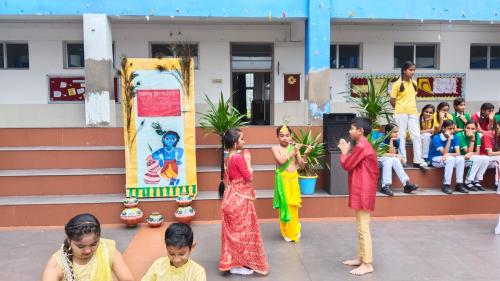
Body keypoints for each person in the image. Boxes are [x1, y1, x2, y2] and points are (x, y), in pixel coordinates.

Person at [218, 128, 269, 275]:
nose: (244, 141)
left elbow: (230, 179)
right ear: (234, 143)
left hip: (231, 196)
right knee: (244, 232)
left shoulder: (227, 156)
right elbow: (249, 177)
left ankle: (234, 263)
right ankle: (242, 264)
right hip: (240, 198)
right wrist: (248, 161)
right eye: (242, 139)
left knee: (235, 232)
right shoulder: (238, 158)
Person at [338, 117, 380, 276]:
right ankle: (361, 258)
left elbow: (347, 165)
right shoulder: (362, 146)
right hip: (362, 188)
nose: (349, 131)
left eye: (352, 128)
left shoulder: (362, 146)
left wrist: (343, 152)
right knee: (360, 226)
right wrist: (348, 152)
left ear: (360, 131)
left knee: (363, 227)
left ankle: (367, 263)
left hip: (364, 190)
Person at [41, 213, 134, 281]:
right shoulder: (58, 264)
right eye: (80, 246)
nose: (88, 250)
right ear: (69, 241)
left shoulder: (107, 249)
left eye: (94, 244)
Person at [271, 125, 311, 242]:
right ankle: (286, 230)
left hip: (293, 179)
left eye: (287, 136)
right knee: (285, 205)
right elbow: (281, 161)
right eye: (282, 136)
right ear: (277, 137)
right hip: (282, 180)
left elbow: (302, 165)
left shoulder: (294, 148)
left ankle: (294, 230)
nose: (285, 138)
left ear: (291, 136)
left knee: (293, 205)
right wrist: (292, 151)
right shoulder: (274, 148)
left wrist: (306, 153)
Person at [390, 61, 428, 169]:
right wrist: (399, 109)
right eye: (410, 70)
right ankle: (403, 160)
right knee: (401, 135)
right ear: (404, 70)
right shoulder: (397, 84)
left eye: (413, 70)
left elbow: (413, 98)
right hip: (400, 113)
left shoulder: (414, 83)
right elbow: (391, 100)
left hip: (413, 112)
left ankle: (418, 160)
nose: (412, 72)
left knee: (416, 135)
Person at [141, 223, 206, 281]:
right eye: (171, 254)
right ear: (166, 247)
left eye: (181, 254)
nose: (176, 260)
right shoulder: (158, 265)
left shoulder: (198, 272)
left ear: (192, 246)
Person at [377, 123, 418, 196]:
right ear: (387, 132)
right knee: (390, 159)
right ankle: (385, 186)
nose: (397, 134)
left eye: (397, 132)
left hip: (387, 158)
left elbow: (391, 152)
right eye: (394, 132)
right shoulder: (380, 138)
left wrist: (391, 141)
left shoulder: (396, 140)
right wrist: (396, 155)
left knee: (395, 160)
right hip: (377, 158)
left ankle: (406, 184)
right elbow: (380, 154)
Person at [428, 120, 467, 194]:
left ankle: (459, 184)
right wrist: (449, 139)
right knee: (450, 159)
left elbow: (458, 153)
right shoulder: (437, 137)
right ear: (443, 128)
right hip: (435, 159)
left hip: (447, 158)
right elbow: (444, 153)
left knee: (460, 159)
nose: (452, 131)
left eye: (453, 129)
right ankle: (446, 185)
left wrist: (449, 154)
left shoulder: (455, 137)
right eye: (449, 129)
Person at [457, 120, 489, 191]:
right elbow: (467, 152)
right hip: (461, 158)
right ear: (464, 128)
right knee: (478, 159)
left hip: (470, 156)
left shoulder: (476, 134)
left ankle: (476, 181)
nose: (470, 130)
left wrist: (471, 153)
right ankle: (468, 181)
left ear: (476, 129)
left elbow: (477, 152)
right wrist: (472, 140)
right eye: (468, 128)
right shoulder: (459, 135)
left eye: (473, 129)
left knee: (486, 158)